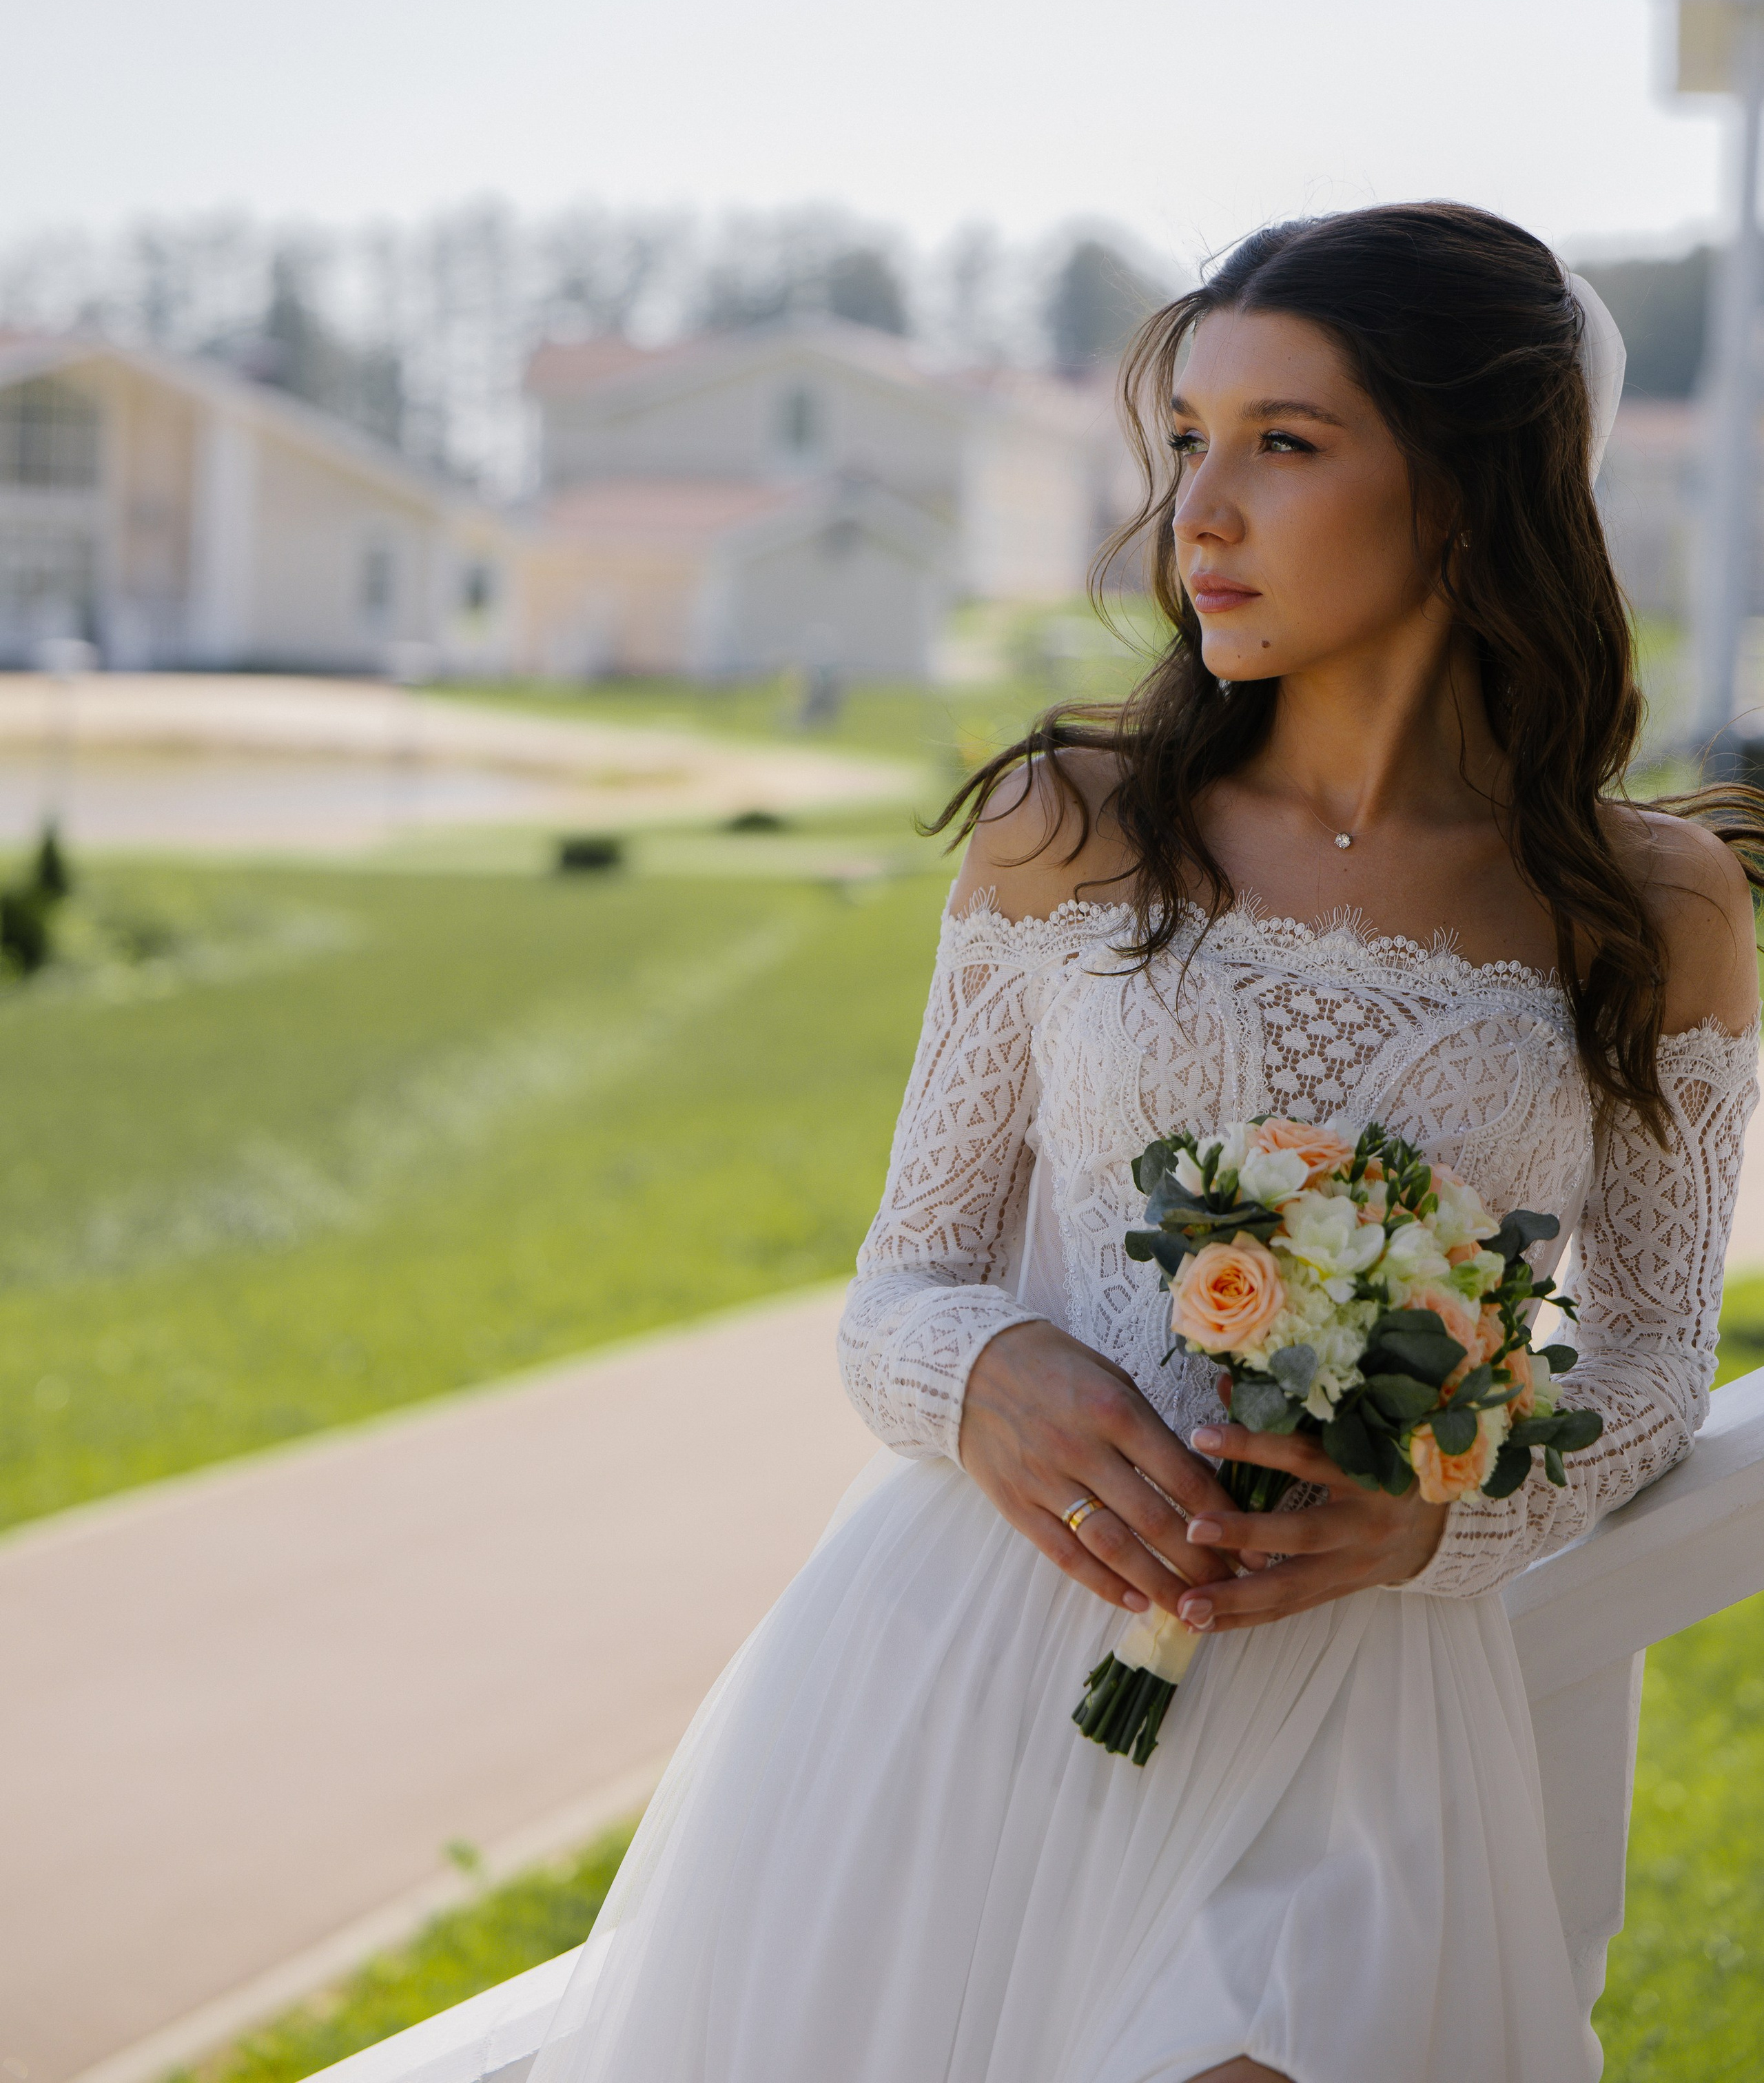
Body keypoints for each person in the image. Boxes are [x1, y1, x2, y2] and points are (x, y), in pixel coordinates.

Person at [529, 203, 1762, 2083]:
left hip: (1360, 1708)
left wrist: (1452, 1514)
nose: (1199, 513)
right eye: (1189, 438)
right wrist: (990, 1376)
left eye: (1286, 443)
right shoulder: (1068, 819)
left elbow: (1665, 1345)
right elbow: (901, 1281)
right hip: (976, 1668)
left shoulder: (1645, 906)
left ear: (1470, 484)